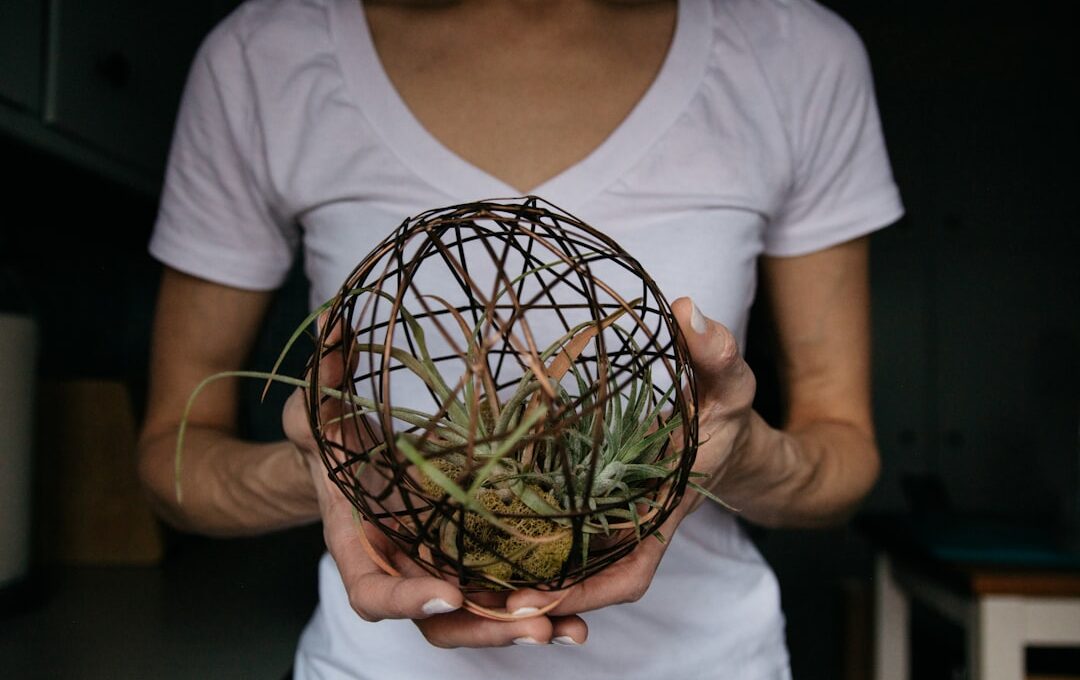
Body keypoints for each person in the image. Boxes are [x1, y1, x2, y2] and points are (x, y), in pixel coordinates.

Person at [137, 0, 903, 677]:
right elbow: (172, 457)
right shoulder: (266, 53)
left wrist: (740, 454)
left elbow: (842, 452)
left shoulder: (792, 49)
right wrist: (340, 469)